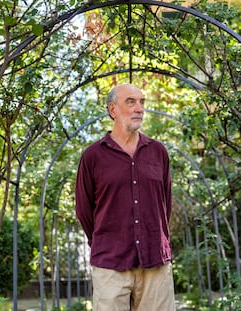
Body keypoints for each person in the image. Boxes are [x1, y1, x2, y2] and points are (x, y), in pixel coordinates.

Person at [75, 84, 175, 311]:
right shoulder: (93, 156)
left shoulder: (158, 152)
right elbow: (83, 210)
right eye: (130, 102)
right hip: (110, 265)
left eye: (142, 102)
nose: (139, 108)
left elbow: (164, 204)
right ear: (113, 110)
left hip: (155, 264)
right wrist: (107, 242)